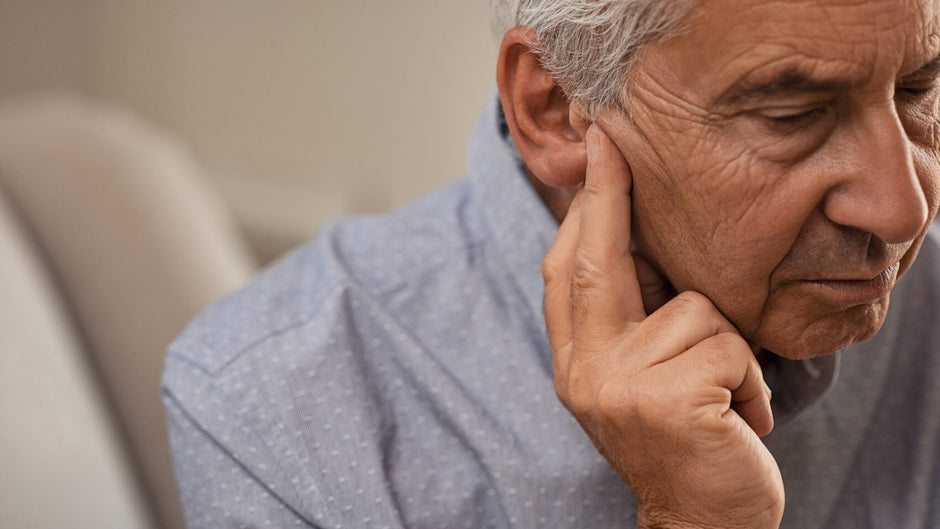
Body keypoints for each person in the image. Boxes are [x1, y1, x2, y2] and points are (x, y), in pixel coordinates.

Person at [162, 0, 940, 527]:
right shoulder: (272, 403)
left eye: (919, 89)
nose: (902, 209)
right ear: (555, 108)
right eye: (793, 114)